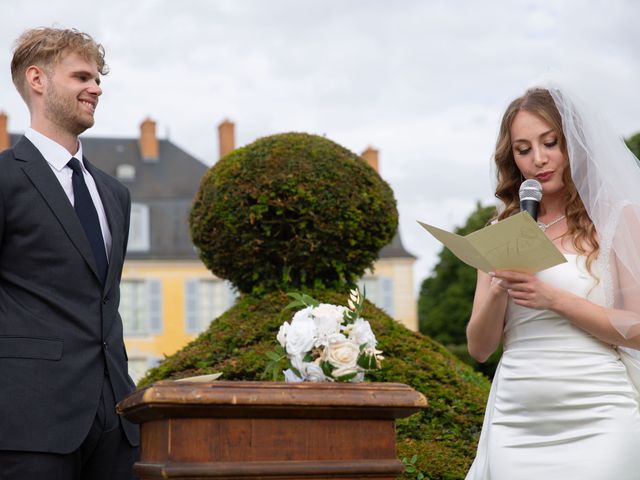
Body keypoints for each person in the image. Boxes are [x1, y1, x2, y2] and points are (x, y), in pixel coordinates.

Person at [465, 83, 640, 479]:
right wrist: (496, 289)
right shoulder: (500, 231)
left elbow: (638, 329)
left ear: (573, 144)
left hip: (600, 415)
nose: (539, 160)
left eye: (550, 143)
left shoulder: (616, 219)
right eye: (524, 149)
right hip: (517, 420)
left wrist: (553, 298)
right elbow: (479, 347)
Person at [0, 27, 139, 479]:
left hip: (117, 425)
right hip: (28, 424)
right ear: (37, 80)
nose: (96, 87)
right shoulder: (4, 179)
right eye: (82, 76)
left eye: (98, 78)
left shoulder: (115, 193)